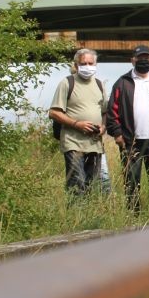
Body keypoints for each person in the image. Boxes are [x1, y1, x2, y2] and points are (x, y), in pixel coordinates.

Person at [106, 45, 149, 212]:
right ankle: (133, 215)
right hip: (130, 142)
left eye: (147, 58)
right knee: (131, 182)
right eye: (140, 58)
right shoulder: (122, 83)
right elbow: (112, 110)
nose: (144, 61)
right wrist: (117, 134)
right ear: (132, 60)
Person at [48, 49, 107, 195]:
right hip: (73, 142)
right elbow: (54, 112)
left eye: (90, 63)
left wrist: (103, 127)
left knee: (92, 185)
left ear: (96, 64)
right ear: (76, 64)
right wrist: (77, 124)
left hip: (94, 144)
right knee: (77, 182)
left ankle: (88, 215)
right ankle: (75, 213)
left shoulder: (100, 85)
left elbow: (105, 112)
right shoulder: (67, 83)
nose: (87, 66)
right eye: (83, 63)